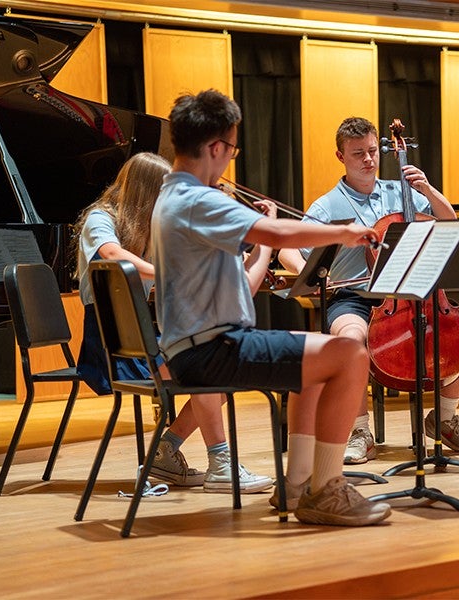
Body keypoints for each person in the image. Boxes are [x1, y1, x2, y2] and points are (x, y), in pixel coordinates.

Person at [151, 89, 391, 526]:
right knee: (351, 354)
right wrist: (342, 234)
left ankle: (298, 485)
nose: (228, 163)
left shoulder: (174, 194)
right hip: (212, 350)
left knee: (316, 355)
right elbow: (276, 235)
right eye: (231, 150)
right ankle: (327, 487)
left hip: (198, 346)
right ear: (216, 148)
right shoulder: (196, 199)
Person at [278, 116, 459, 465]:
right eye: (358, 153)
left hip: (412, 295)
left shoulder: (398, 190)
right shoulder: (327, 206)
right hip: (354, 298)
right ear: (340, 156)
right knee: (352, 341)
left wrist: (429, 191)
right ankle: (359, 431)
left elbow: (449, 225)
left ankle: (444, 418)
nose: (369, 159)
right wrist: (309, 275)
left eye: (373, 151)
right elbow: (287, 249)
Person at [74, 152, 275, 493]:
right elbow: (112, 254)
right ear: (146, 192)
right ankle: (220, 463)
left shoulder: (157, 229)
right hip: (114, 345)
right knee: (209, 369)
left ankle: (165, 452)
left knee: (220, 370)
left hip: (145, 335)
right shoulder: (101, 218)